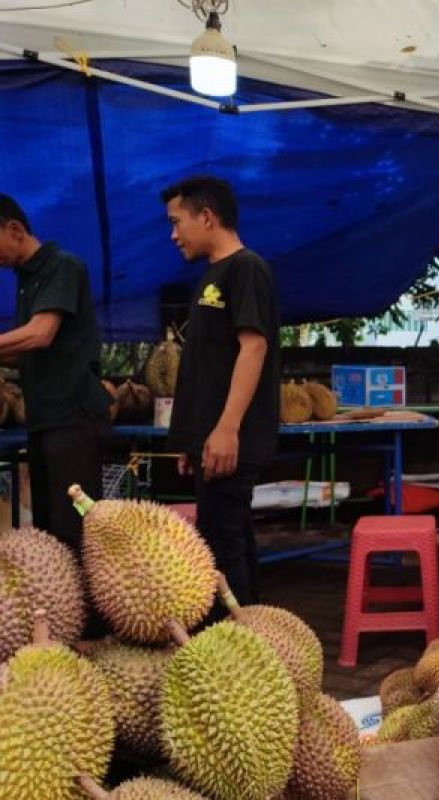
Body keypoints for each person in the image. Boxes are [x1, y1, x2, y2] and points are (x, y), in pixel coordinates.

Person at [161, 176, 280, 606]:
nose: (173, 234)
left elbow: (254, 347)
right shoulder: (213, 275)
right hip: (210, 441)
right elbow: (208, 364)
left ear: (206, 217)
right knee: (231, 539)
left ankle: (238, 651)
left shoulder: (246, 268)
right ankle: (254, 638)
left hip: (231, 439)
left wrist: (227, 429)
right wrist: (193, 437)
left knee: (221, 550)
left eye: (177, 222)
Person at [0, 194, 111, 551]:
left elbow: (40, 333)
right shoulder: (25, 280)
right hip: (44, 419)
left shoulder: (62, 266)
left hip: (72, 418)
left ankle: (90, 608)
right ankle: (63, 608)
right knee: (49, 532)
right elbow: (23, 353)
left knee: (77, 532)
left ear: (14, 229)